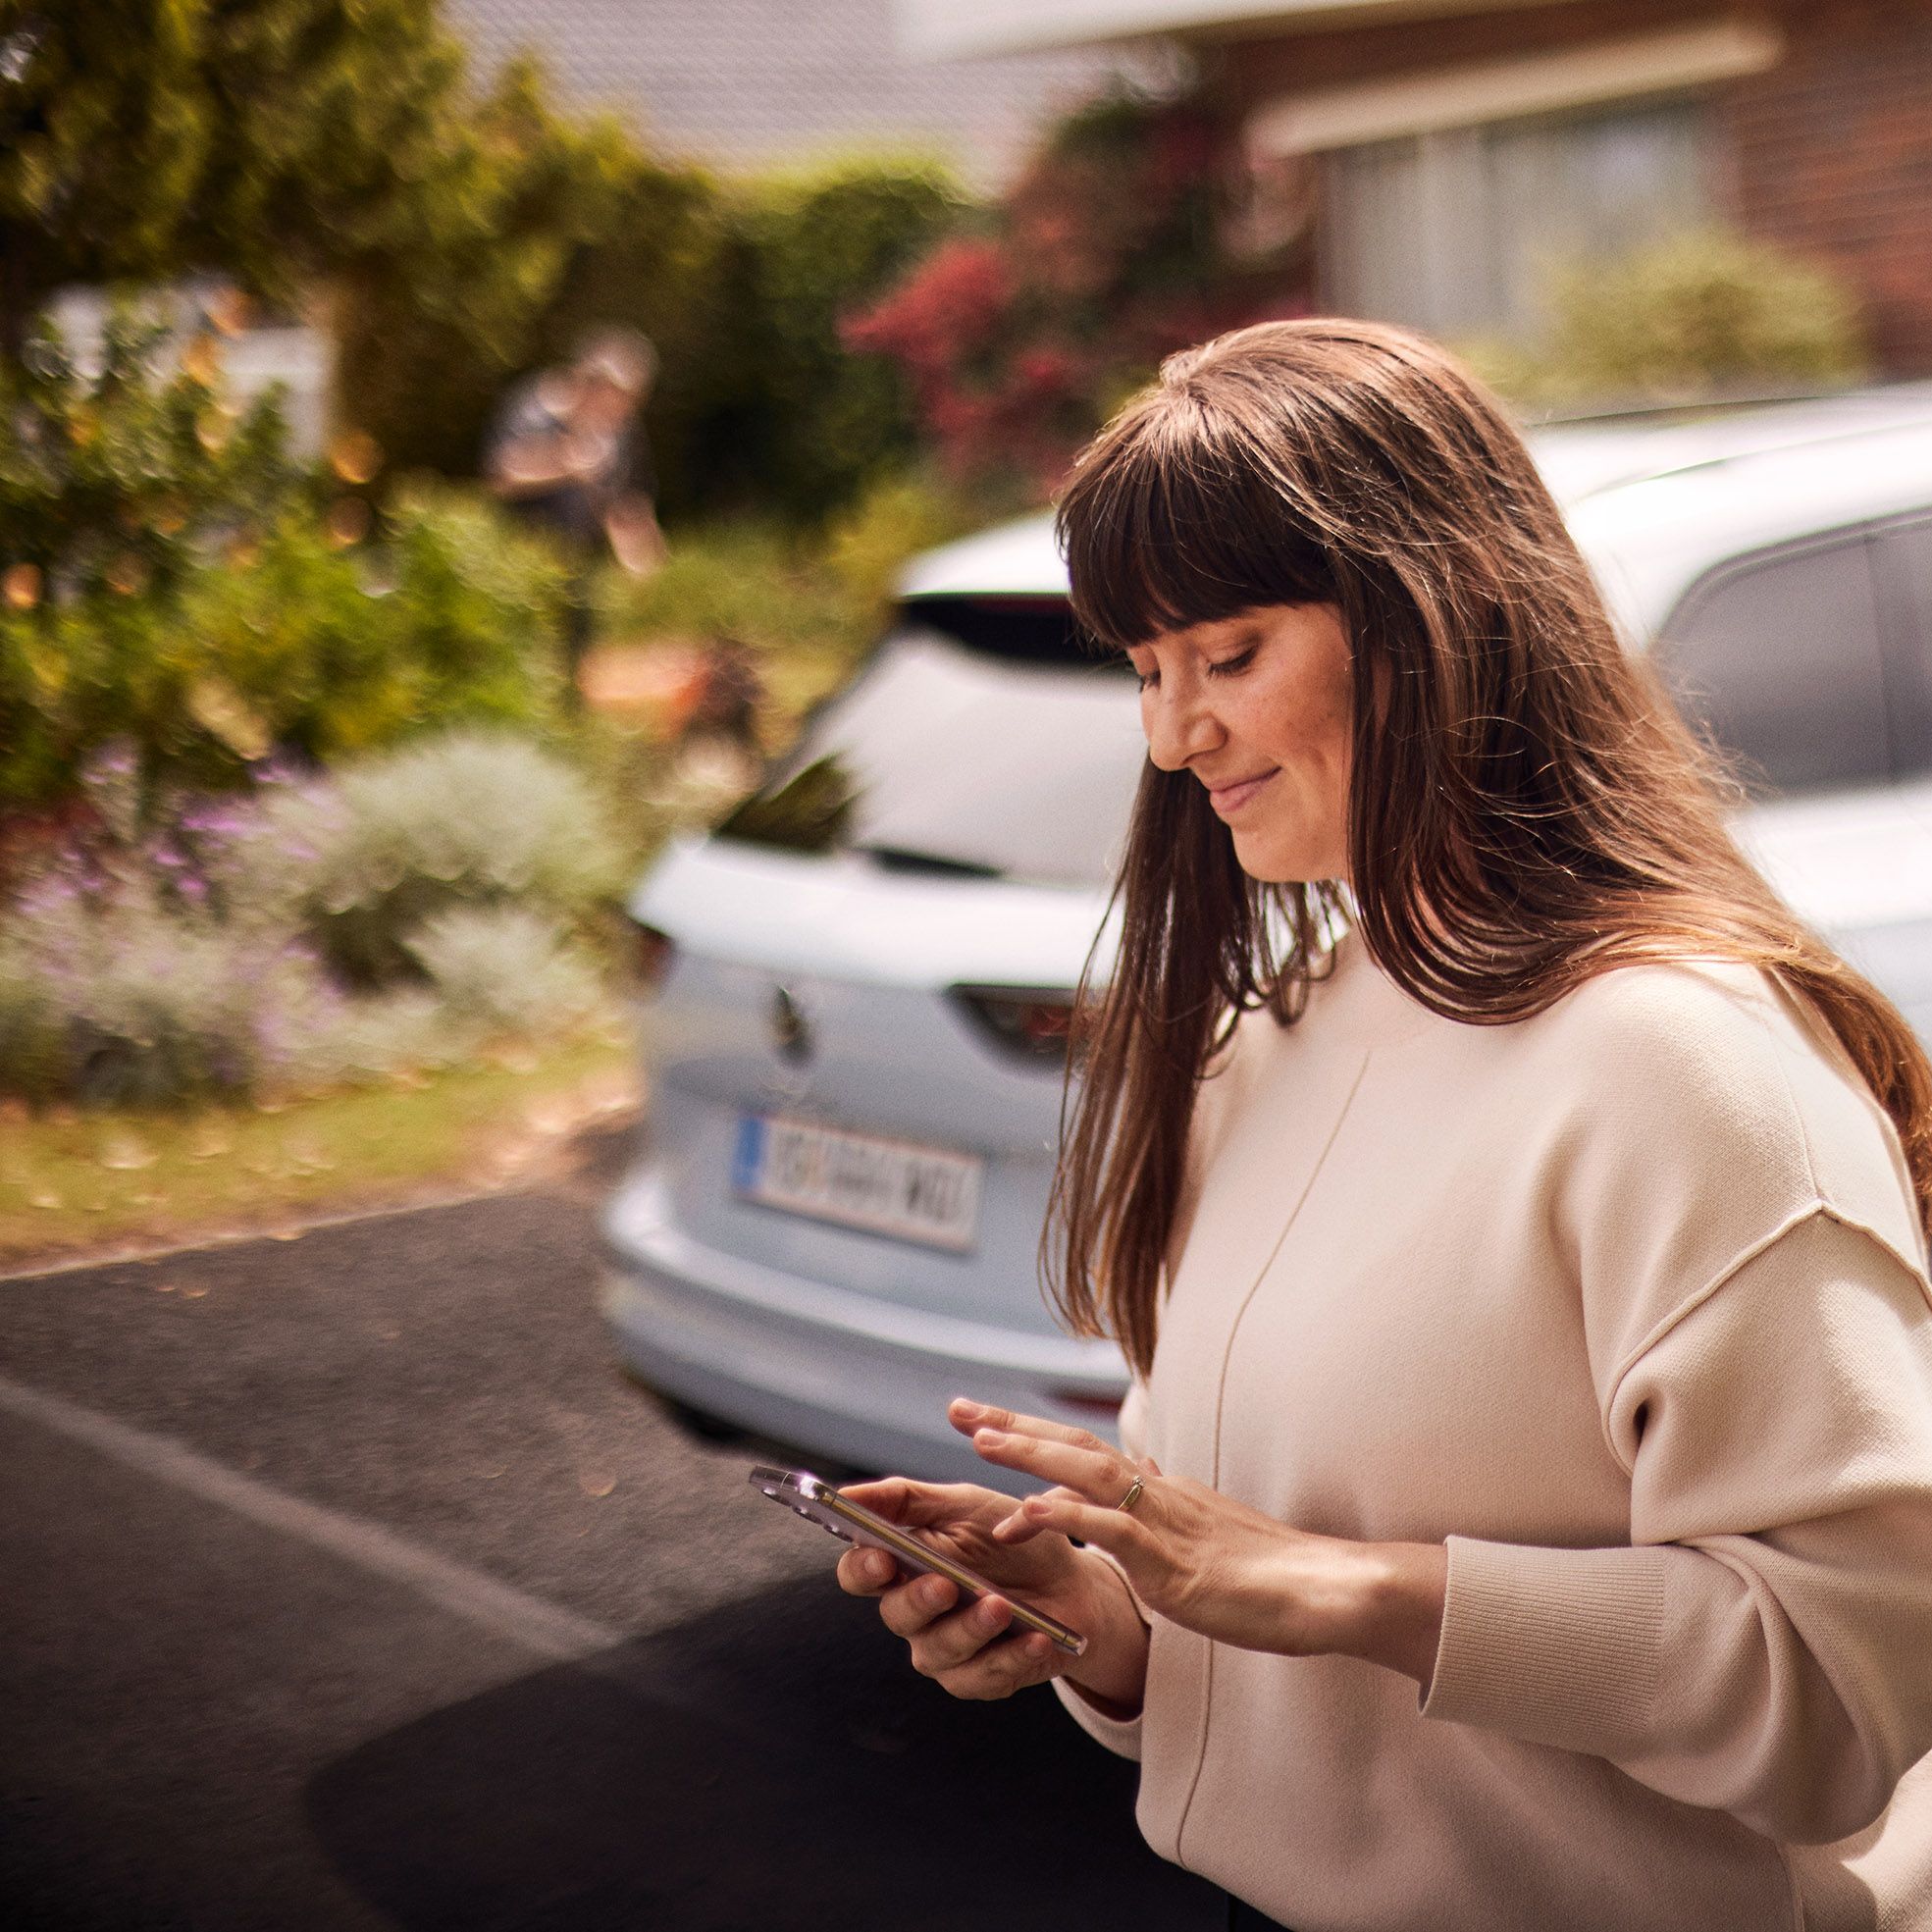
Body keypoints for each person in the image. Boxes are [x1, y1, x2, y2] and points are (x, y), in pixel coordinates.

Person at [835, 319, 1932, 1931]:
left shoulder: (1676, 1062)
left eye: (1225, 651)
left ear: (1431, 617)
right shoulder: (1259, 1044)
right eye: (1144, 670)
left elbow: (1849, 1689)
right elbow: (1243, 1592)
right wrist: (1101, 1619)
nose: (1168, 735)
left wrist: (1354, 1588)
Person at [484, 327, 665, 690]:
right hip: (520, 561)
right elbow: (500, 476)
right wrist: (564, 463)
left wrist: (641, 550)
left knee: (570, 664)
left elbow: (625, 498)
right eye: (617, 398)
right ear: (588, 383)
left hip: (577, 565)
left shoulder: (619, 429)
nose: (622, 412)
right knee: (516, 659)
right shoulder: (534, 409)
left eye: (630, 402)